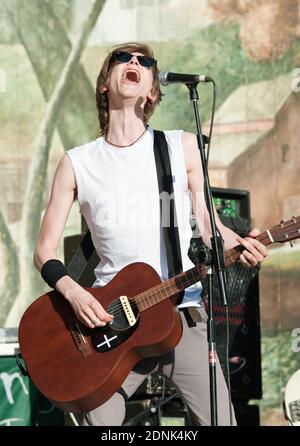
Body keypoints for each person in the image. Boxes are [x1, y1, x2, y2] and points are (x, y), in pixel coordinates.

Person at [34, 42, 268, 426]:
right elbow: (44, 252)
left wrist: (240, 245)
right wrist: (74, 293)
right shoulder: (77, 163)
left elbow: (210, 227)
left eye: (145, 62)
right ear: (104, 84)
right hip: (112, 323)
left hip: (182, 313)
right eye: (123, 58)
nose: (134, 63)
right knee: (99, 417)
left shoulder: (180, 146)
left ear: (152, 90)